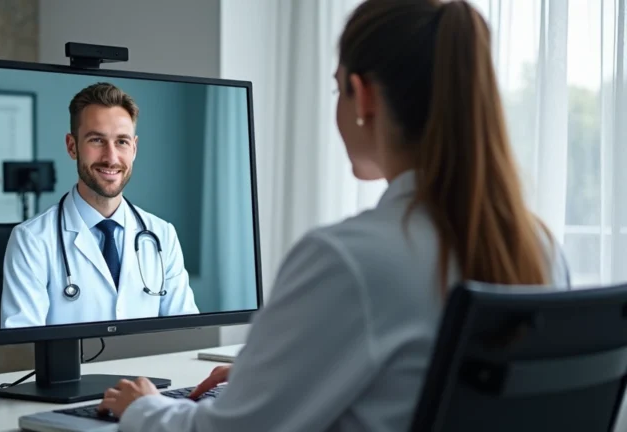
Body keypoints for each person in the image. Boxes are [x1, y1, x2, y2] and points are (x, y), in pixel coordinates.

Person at [95, 0, 571, 430]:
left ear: (361, 96)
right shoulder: (540, 246)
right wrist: (280, 377)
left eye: (336, 89)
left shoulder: (348, 258)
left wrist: (142, 406)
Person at [0, 82, 200, 328]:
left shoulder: (162, 235)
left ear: (134, 148)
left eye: (122, 142)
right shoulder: (32, 240)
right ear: (72, 147)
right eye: (97, 140)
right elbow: (23, 341)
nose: (111, 157)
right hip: (72, 369)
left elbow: (186, 330)